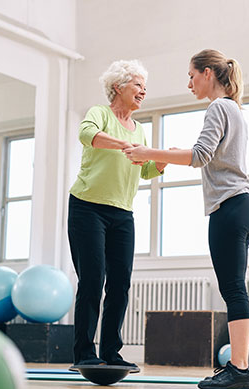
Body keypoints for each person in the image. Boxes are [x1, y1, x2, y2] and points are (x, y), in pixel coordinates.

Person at [123, 49, 249, 389]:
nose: (189, 83)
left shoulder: (219, 107)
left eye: (192, 75)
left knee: (232, 289)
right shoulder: (235, 110)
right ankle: (240, 367)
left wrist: (148, 152)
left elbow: (200, 156)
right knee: (235, 288)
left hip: (230, 207)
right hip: (242, 205)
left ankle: (240, 369)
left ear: (209, 73)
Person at [68, 60, 165, 372]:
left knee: (120, 283)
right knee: (92, 280)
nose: (143, 90)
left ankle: (111, 351)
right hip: (87, 207)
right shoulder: (101, 113)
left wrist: (161, 161)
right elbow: (87, 135)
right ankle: (84, 352)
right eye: (137, 84)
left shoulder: (141, 129)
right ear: (118, 87)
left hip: (122, 213)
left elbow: (146, 169)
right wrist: (123, 144)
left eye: (143, 85)